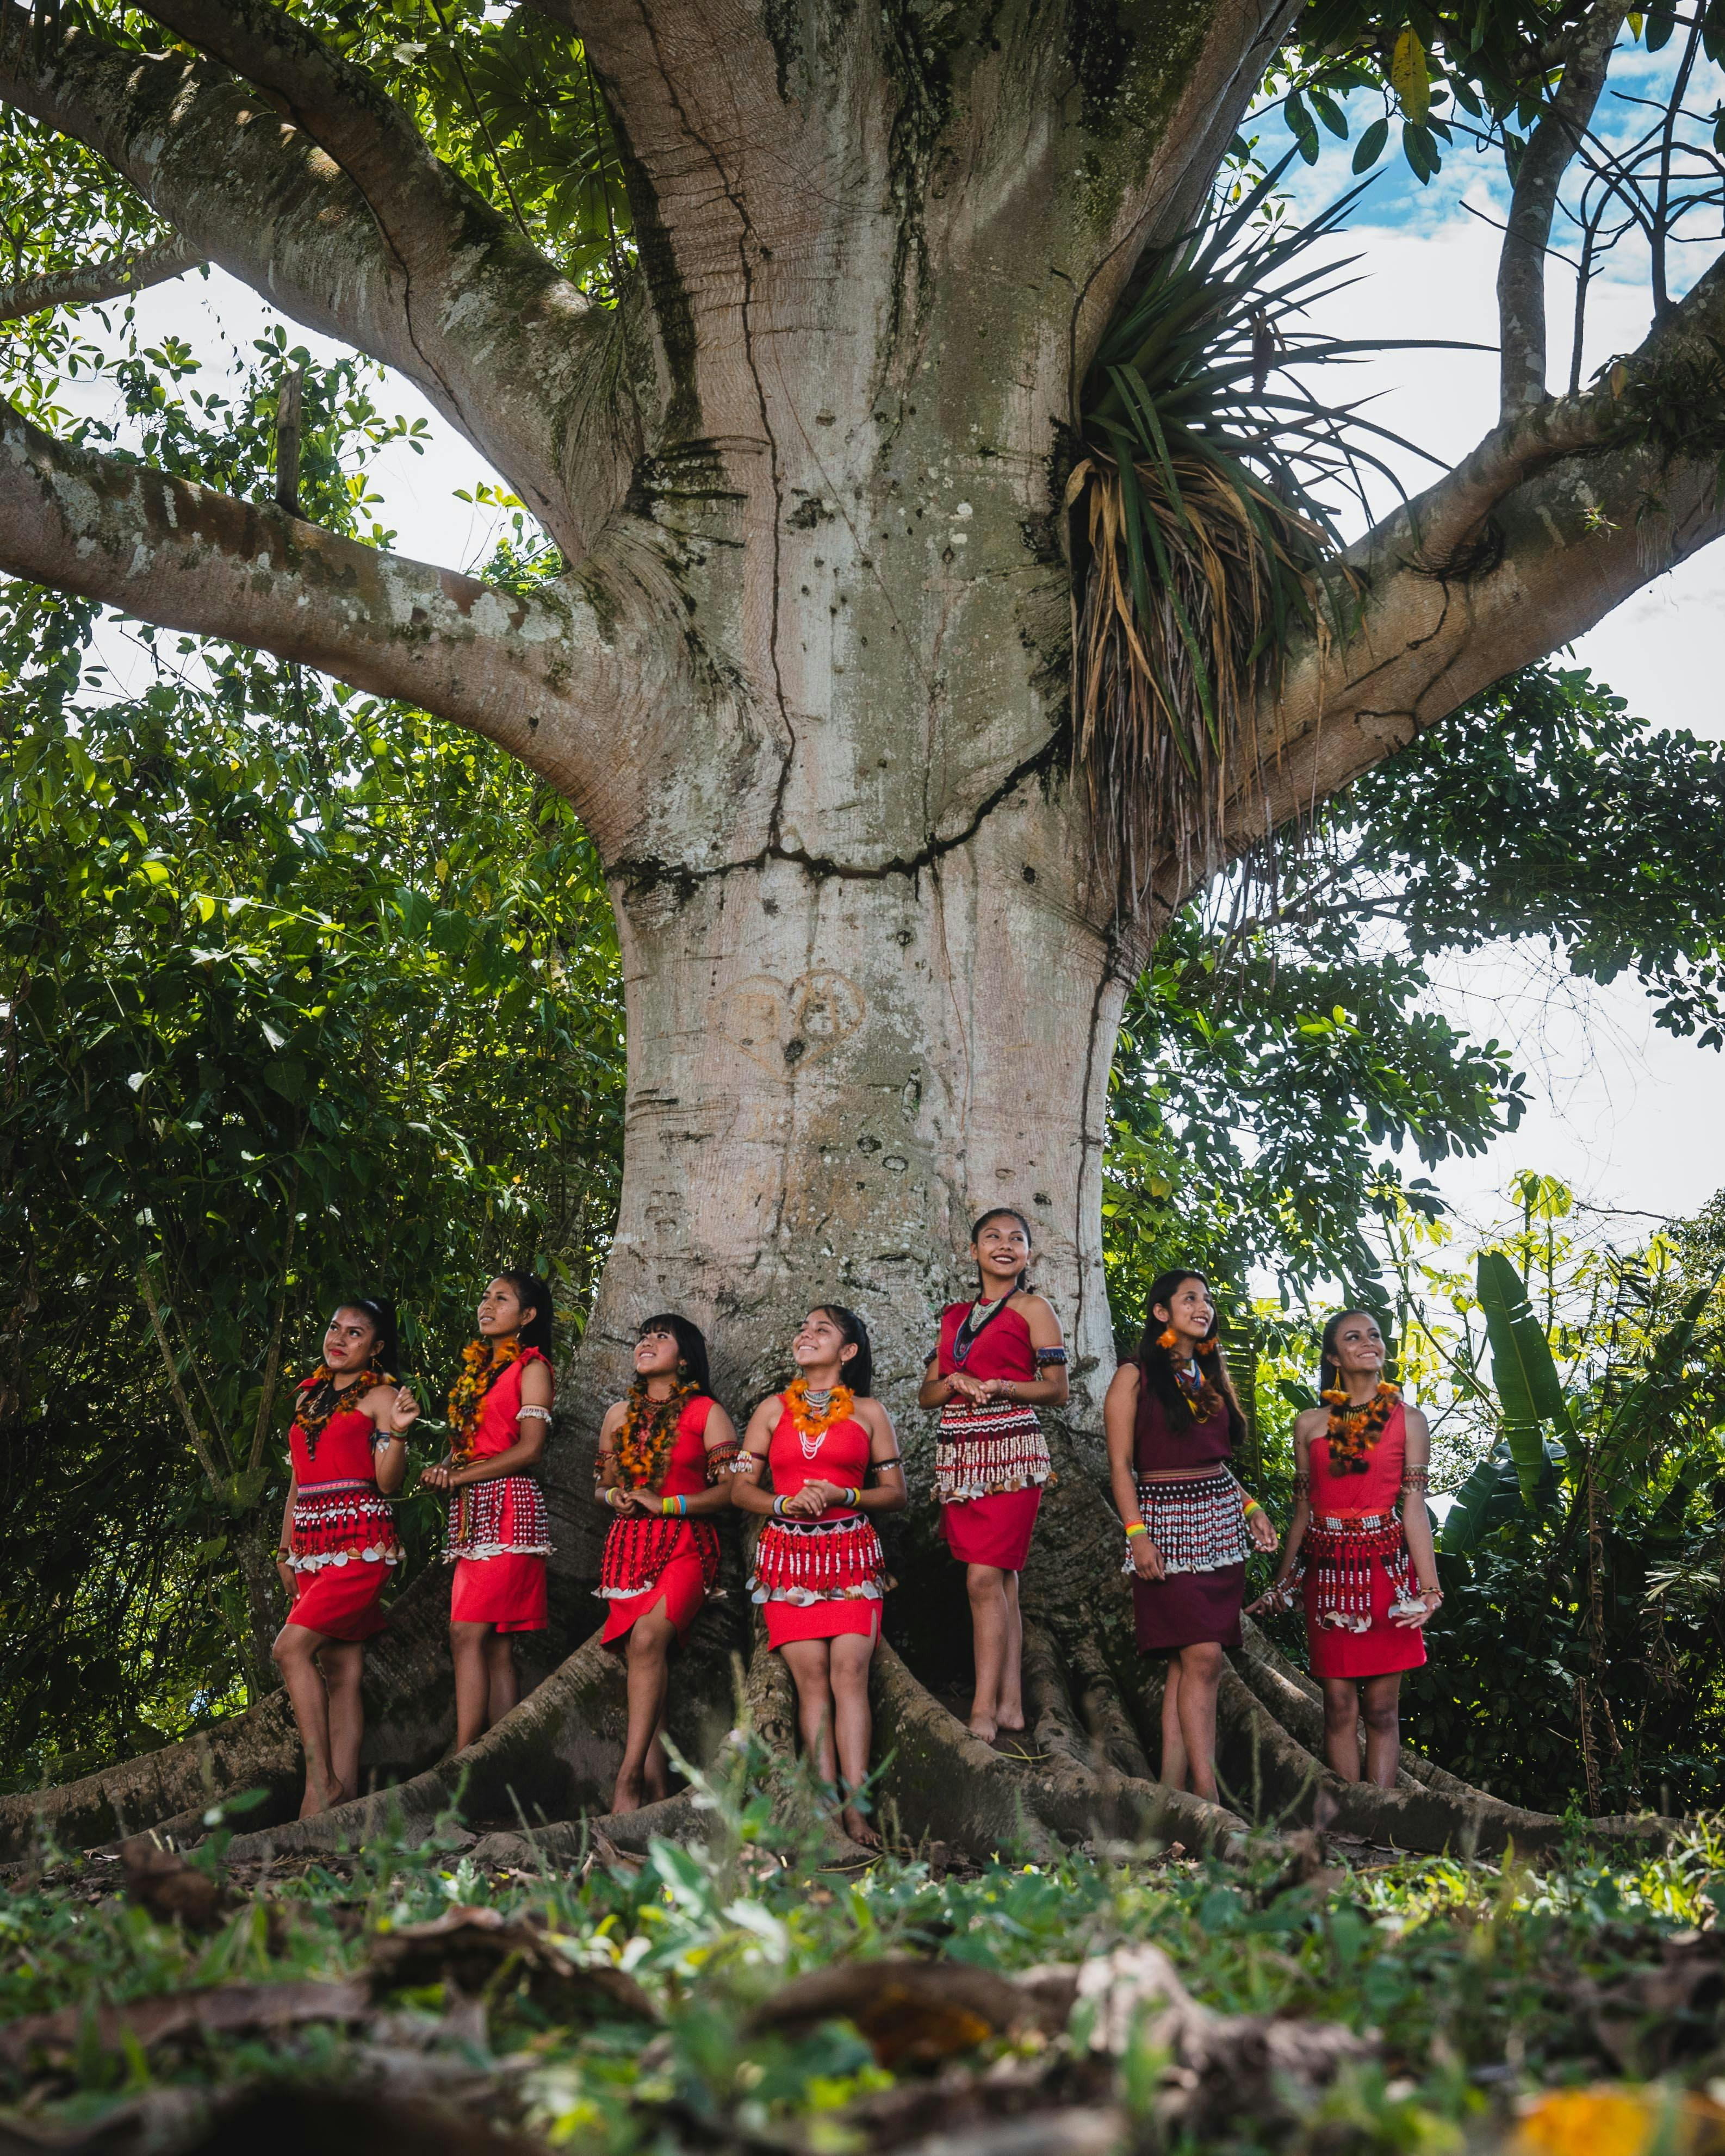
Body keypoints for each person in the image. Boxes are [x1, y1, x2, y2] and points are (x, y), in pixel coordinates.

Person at [733, 1306, 905, 1846]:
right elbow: (740, 1489)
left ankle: (859, 1811)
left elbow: (896, 1492)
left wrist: (842, 1494)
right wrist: (782, 1501)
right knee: (812, 1683)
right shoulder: (769, 1411)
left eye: (821, 1329)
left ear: (848, 1351)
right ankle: (827, 1808)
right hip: (787, 1559)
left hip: (852, 1553)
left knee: (849, 1672)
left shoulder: (871, 1412)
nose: (805, 1333)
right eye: (802, 1325)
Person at [1248, 1308, 1442, 1787]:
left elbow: (1414, 1508)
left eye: (1375, 1335)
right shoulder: (1310, 1423)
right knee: (1337, 1706)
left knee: (1381, 1708)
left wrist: (1432, 1589)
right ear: (1334, 1356)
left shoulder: (1409, 1420)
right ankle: (1351, 1820)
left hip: (1386, 1574)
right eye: (1354, 1337)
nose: (1369, 1342)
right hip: (1328, 1574)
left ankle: (1380, 1818)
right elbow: (1303, 1513)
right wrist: (1282, 1584)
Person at [1104, 1270, 1277, 1803]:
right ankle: (1211, 1799)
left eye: (1207, 1298)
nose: (1203, 1306)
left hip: (1220, 1526)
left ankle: (1173, 1796)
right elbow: (1120, 1464)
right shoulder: (1132, 1376)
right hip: (1164, 1526)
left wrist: (1251, 1506)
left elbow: (1214, 1459)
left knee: (1189, 1664)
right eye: (1189, 1298)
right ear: (1161, 1311)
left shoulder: (1207, 1375)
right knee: (1202, 1657)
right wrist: (1137, 1535)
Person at [917, 1207, 1068, 1742]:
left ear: (1029, 1253)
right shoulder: (954, 1315)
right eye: (992, 1237)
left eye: (1015, 1238)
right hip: (961, 1456)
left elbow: (1057, 1389)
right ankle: (1009, 1705)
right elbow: (926, 1394)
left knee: (983, 1578)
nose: (1004, 1245)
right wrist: (955, 1378)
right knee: (999, 1578)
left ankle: (981, 1708)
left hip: (1011, 1453)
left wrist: (1003, 1386)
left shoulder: (1033, 1307)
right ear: (974, 1250)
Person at [273, 1297, 418, 1816]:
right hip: (311, 1546)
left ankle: (322, 1784)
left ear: (376, 1348)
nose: (339, 1338)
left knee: (289, 1650)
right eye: (335, 1327)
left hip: (360, 1543)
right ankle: (338, 1807)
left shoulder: (381, 1396)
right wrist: (286, 1547)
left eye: (355, 1333)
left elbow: (387, 1480)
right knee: (341, 1669)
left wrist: (398, 1430)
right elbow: (297, 1480)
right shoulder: (309, 1396)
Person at [594, 1314, 741, 1813]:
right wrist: (617, 1495)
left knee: (647, 1640)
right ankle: (657, 1785)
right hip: (628, 1550)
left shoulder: (705, 1412)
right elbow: (602, 1485)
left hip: (686, 1545)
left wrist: (668, 1503)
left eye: (662, 1336)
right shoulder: (619, 1414)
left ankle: (628, 1776)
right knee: (642, 1658)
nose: (646, 1342)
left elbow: (731, 1492)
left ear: (684, 1358)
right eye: (643, 1335)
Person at [421, 1272, 555, 1752]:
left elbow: (530, 1449)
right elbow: (469, 1449)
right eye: (484, 1295)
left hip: (510, 1510)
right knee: (496, 1645)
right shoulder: (475, 1374)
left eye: (501, 1298)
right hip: (470, 1514)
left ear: (527, 1316)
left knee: (466, 1633)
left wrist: (457, 1477)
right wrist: (442, 1469)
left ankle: (463, 1757)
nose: (487, 1304)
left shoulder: (533, 1367)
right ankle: (503, 1762)